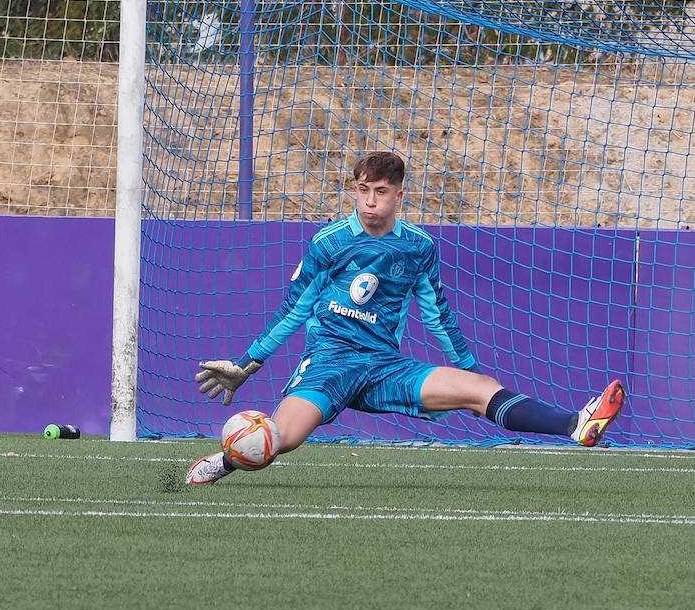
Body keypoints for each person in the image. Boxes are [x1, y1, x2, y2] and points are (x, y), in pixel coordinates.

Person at [185, 150, 625, 485]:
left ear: (399, 194)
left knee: (483, 390)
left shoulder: (418, 247)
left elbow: (438, 316)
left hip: (383, 366)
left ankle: (575, 424)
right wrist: (247, 364)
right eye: (362, 190)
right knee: (277, 441)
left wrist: (468, 373)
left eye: (380, 192)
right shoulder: (329, 242)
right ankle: (222, 463)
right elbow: (294, 309)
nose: (370, 201)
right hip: (330, 363)